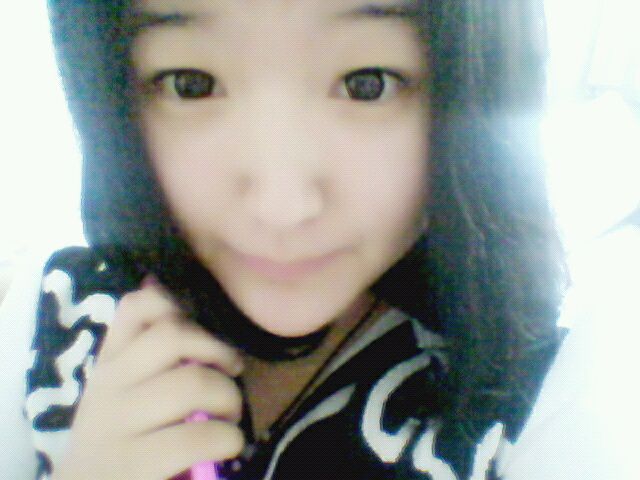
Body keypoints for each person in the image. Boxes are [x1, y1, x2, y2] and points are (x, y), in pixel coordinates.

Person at [15, 0, 569, 479]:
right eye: (191, 84)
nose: (281, 206)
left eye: (367, 84)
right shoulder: (59, 324)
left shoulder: (542, 405)